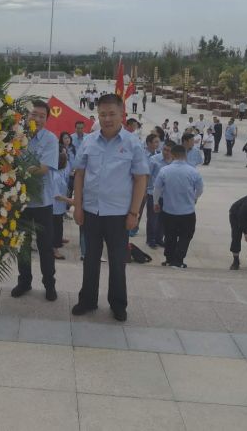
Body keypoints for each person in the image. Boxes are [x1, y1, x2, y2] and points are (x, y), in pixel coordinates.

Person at [71, 94, 149, 322]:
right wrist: (77, 207)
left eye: (112, 114)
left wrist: (134, 213)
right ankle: (87, 300)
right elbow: (79, 175)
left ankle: (118, 304)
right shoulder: (89, 141)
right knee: (90, 259)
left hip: (119, 215)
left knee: (117, 262)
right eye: (103, 114)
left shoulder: (133, 143)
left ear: (122, 114)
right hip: (91, 212)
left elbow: (140, 179)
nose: (107, 119)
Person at [12, 99, 59, 302]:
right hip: (19, 202)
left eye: (42, 116)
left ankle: (49, 284)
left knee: (45, 246)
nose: (37, 119)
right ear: (26, 116)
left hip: (42, 203)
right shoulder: (16, 136)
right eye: (34, 115)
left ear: (47, 119)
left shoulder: (50, 139)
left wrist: (15, 170)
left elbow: (43, 168)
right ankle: (24, 282)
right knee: (21, 244)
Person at [153, 145, 204, 268]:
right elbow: (200, 189)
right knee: (185, 236)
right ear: (185, 155)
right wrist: (194, 198)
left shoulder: (164, 170)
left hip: (169, 210)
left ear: (172, 155)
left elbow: (157, 188)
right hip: (187, 212)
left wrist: (156, 202)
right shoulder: (193, 171)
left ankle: (169, 259)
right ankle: (179, 260)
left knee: (169, 236)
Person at [146, 140, 174, 248]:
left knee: (163, 218)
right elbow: (147, 175)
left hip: (167, 195)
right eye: (164, 149)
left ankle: (159, 238)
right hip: (153, 194)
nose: (166, 152)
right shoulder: (154, 159)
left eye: (168, 150)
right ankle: (151, 239)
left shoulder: (174, 162)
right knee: (153, 218)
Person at [52, 150, 70, 260]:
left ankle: (58, 242)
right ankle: (54, 250)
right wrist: (70, 200)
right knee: (56, 229)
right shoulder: (56, 176)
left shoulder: (60, 173)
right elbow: (56, 195)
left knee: (59, 226)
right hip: (55, 207)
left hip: (59, 208)